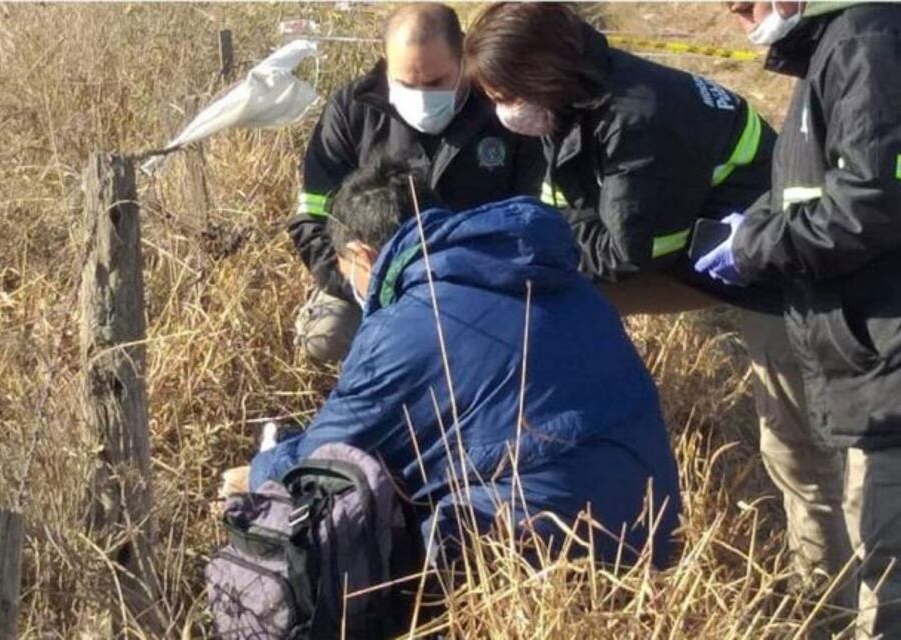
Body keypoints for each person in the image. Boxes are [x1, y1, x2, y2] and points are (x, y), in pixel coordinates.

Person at [462, 0, 852, 607]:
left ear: (538, 75)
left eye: (502, 95)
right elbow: (578, 216)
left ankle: (827, 597)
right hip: (694, 249)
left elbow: (625, 251)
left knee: (795, 445)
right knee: (547, 287)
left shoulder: (637, 114)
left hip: (777, 273)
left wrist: (552, 235)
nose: (500, 111)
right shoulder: (577, 96)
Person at [253, 156, 680, 566]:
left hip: (539, 547)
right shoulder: (562, 278)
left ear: (363, 255)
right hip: (656, 528)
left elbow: (318, 463)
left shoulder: (404, 327)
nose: (354, 288)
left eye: (348, 274)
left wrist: (261, 469)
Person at [698, 3, 901, 636]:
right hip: (866, 343)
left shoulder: (868, 40)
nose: (734, 9)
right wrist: (759, 223)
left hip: (885, 345)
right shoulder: (838, 48)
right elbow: (809, 189)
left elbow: (869, 203)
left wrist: (752, 247)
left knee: (890, 564)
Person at [289, 2, 544, 365]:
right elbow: (313, 218)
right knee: (325, 336)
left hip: (482, 279)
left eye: (437, 82)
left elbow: (532, 216)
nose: (422, 95)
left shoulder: (502, 109)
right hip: (372, 279)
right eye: (406, 82)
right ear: (386, 61)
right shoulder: (351, 110)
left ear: (463, 57)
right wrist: (366, 282)